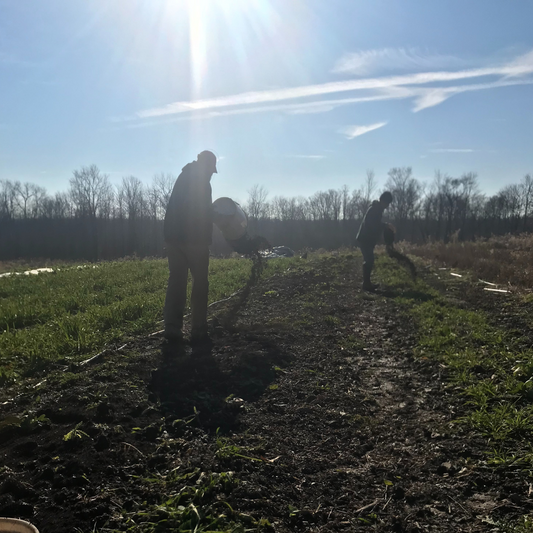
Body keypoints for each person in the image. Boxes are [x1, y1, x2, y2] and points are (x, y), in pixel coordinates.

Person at [163, 150, 218, 343]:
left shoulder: (184, 174)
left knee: (177, 281)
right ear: (208, 166)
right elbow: (197, 209)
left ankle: (172, 327)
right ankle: (198, 329)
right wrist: (215, 216)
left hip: (172, 237)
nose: (212, 173)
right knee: (200, 283)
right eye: (212, 169)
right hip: (194, 239)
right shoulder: (201, 180)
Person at [355, 191, 393, 291]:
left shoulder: (377, 209)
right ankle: (366, 284)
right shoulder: (374, 209)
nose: (387, 206)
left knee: (369, 260)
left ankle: (367, 283)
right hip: (365, 238)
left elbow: (375, 225)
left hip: (368, 239)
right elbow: (372, 224)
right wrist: (385, 226)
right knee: (369, 260)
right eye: (387, 203)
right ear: (383, 201)